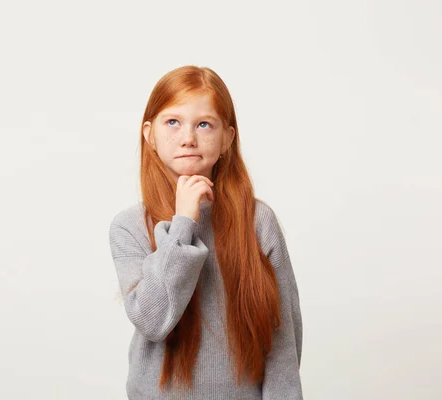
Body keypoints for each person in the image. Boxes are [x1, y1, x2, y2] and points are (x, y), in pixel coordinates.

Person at [108, 65, 303, 400]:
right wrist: (183, 222)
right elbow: (153, 320)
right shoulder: (129, 226)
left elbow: (282, 339)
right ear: (149, 133)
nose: (188, 138)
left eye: (204, 124)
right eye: (173, 122)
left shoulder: (258, 221)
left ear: (227, 137)